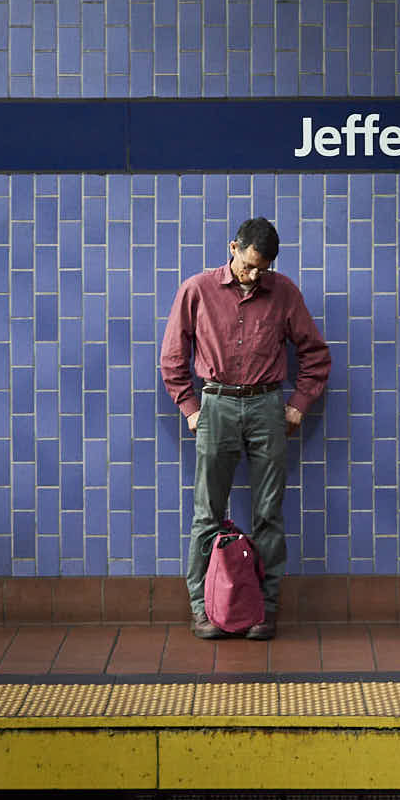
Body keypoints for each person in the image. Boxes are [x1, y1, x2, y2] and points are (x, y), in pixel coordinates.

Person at [159, 217, 331, 640]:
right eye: (249, 265)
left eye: (263, 269)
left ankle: (263, 610)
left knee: (268, 514)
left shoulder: (284, 292)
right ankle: (203, 609)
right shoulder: (197, 290)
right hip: (215, 404)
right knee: (207, 515)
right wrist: (192, 408)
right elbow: (172, 358)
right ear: (233, 247)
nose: (254, 276)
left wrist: (297, 406)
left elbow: (315, 354)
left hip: (267, 406)